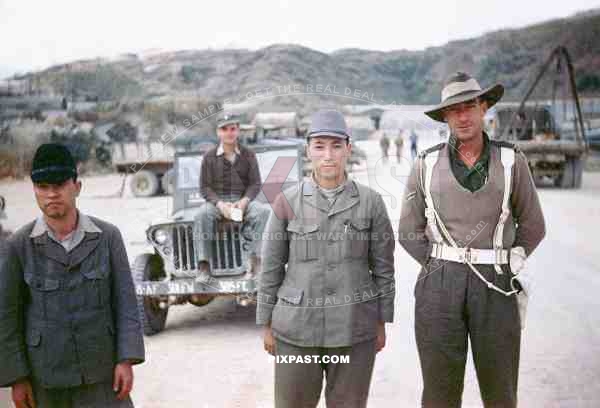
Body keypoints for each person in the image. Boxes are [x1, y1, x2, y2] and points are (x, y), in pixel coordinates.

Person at [398, 72, 546, 407]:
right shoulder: (426, 162)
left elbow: (534, 225)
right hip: (439, 286)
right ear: (446, 117)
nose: (463, 116)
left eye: (470, 107)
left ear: (484, 109)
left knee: (500, 389)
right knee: (439, 390)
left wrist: (510, 260)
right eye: (454, 110)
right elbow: (408, 229)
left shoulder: (511, 160)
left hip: (496, 284)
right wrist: (440, 264)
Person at [257, 109, 396, 408]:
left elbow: (384, 268)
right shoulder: (287, 201)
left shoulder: (371, 202)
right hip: (296, 330)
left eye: (335, 146)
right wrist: (266, 323)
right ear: (308, 150)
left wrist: (382, 320)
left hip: (354, 327)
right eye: (319, 146)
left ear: (348, 148)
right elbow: (270, 267)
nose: (328, 155)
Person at [0, 143, 145, 408]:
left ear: (76, 187)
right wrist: (16, 378)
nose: (52, 194)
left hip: (101, 376)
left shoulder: (107, 237)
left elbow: (126, 304)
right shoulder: (19, 245)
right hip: (45, 379)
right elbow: (7, 317)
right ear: (34, 191)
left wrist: (126, 359)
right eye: (43, 187)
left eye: (60, 185)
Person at [195, 112, 270, 277]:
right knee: (201, 215)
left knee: (264, 212)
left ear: (238, 131)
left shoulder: (248, 155)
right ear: (218, 132)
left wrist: (243, 202)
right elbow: (205, 187)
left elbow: (255, 184)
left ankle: (256, 260)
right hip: (218, 202)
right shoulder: (209, 157)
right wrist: (220, 204)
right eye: (224, 129)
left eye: (233, 128)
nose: (229, 132)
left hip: (242, 201)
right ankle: (204, 266)